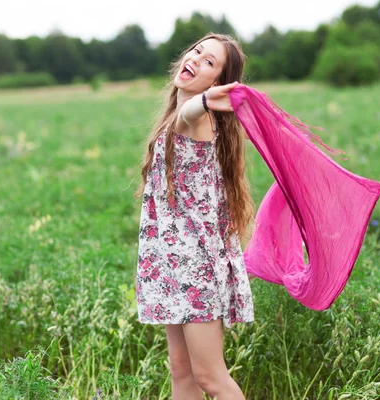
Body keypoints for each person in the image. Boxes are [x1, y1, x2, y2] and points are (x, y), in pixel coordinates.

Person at [134, 33, 254, 400]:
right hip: (174, 265)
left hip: (196, 271)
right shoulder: (177, 116)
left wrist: (201, 102)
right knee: (181, 370)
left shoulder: (194, 120)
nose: (195, 59)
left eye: (209, 62)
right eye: (197, 51)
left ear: (217, 84)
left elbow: (190, 114)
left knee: (210, 377)